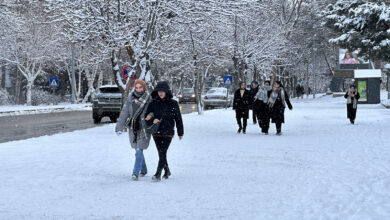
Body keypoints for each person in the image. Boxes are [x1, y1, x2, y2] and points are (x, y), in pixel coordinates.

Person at [145, 81, 184, 181]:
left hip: (168, 131)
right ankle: (167, 171)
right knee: (161, 153)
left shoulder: (173, 103)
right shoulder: (153, 103)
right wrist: (152, 120)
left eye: (163, 91)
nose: (160, 93)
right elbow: (146, 116)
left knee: (163, 152)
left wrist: (180, 132)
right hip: (156, 131)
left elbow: (178, 118)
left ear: (167, 92)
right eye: (159, 91)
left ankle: (158, 174)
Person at [115, 80, 152, 181]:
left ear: (144, 88)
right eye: (137, 87)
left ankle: (135, 173)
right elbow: (124, 112)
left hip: (144, 128)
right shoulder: (130, 98)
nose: (139, 89)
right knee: (137, 150)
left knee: (139, 149)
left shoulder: (149, 98)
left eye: (140, 87)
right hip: (133, 127)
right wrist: (119, 127)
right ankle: (143, 169)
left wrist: (150, 116)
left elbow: (153, 111)